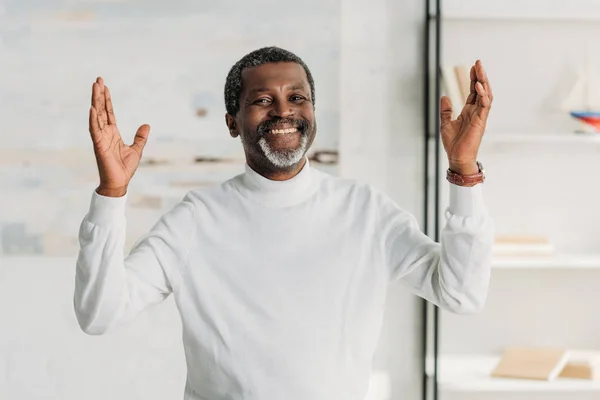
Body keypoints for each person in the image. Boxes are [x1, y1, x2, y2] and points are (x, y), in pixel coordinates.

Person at [74, 46, 494, 399]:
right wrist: (112, 194)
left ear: (313, 110)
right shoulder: (195, 219)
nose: (283, 112)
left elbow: (461, 293)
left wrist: (464, 170)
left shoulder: (365, 210)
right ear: (231, 122)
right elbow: (100, 314)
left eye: (297, 98)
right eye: (262, 100)